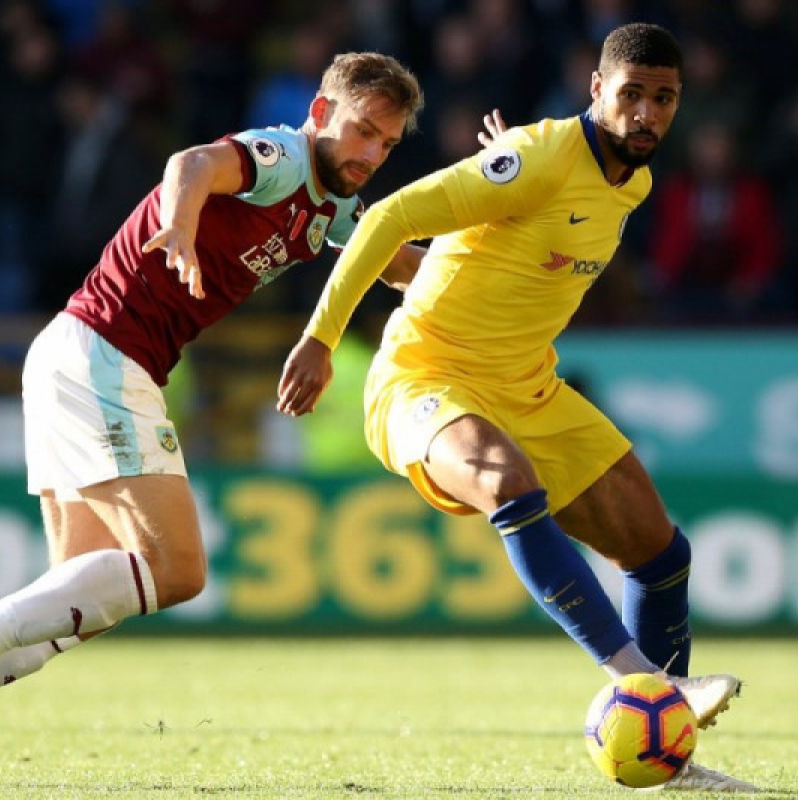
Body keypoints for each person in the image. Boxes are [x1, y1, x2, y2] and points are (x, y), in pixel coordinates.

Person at [0, 52, 425, 787]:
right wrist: (178, 226)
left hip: (73, 353)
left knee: (72, 600)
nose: (371, 153)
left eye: (388, 143)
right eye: (363, 130)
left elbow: (398, 262)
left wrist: (501, 257)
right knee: (176, 572)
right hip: (106, 355)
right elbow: (193, 163)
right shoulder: (283, 156)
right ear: (319, 114)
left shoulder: (336, 205)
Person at [277, 24, 756, 792]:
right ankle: (646, 684)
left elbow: (518, 243)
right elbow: (387, 216)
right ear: (596, 89)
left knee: (661, 554)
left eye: (662, 99)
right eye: (630, 93)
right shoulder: (538, 158)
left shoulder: (631, 182)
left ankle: (672, 764)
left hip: (527, 383)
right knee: (505, 477)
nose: (646, 113)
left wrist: (501, 176)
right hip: (423, 375)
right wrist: (321, 338)